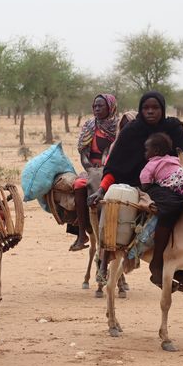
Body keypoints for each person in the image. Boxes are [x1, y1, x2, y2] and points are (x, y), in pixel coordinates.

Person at [88, 91, 183, 294]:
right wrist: (102, 189)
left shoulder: (173, 128)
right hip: (138, 185)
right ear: (141, 109)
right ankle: (153, 264)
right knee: (158, 207)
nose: (150, 111)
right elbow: (114, 168)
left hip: (172, 183)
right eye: (146, 108)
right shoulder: (132, 131)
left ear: (162, 109)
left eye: (155, 108)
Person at [69, 94, 119, 252]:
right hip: (91, 168)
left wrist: (106, 169)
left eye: (100, 106)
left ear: (110, 107)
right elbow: (83, 154)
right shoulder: (89, 125)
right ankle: (81, 233)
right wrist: (90, 169)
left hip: (113, 169)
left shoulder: (119, 127)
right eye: (94, 106)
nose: (96, 109)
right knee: (78, 184)